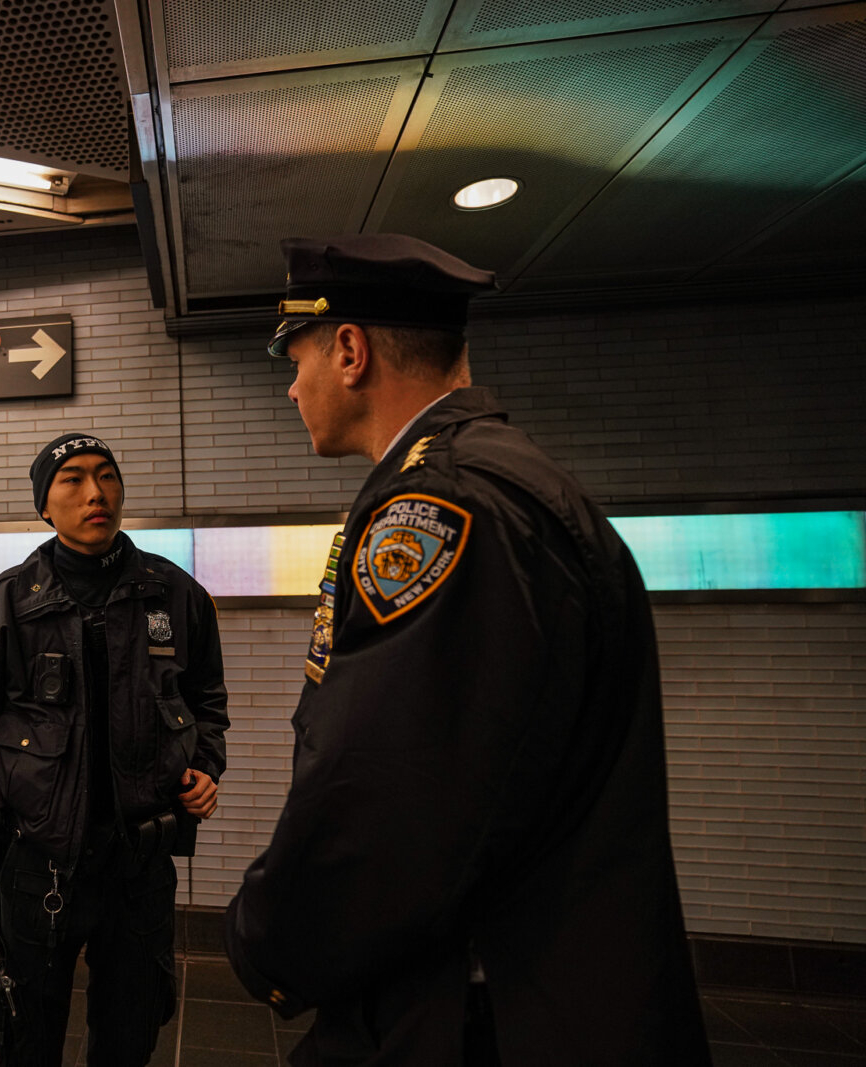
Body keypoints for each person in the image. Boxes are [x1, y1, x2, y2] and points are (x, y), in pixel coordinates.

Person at [225, 235, 711, 1066]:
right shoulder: (494, 479)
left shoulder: (443, 503)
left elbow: (389, 796)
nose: (294, 385)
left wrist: (266, 938)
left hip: (487, 1015)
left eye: (294, 355)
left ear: (350, 350)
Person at [0, 433, 229, 1066]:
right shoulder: (7, 604)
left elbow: (207, 704)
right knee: (27, 1039)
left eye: (108, 476)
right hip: (37, 867)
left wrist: (205, 765)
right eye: (74, 480)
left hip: (141, 866)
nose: (96, 493)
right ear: (45, 506)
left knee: (129, 1037)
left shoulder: (175, 595)